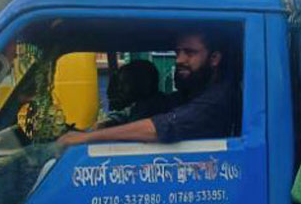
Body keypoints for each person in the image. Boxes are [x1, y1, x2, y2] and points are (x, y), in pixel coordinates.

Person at [56, 31, 238, 146]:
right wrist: (110, 123)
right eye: (178, 52)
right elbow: (160, 105)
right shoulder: (192, 93)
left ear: (214, 58)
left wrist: (85, 139)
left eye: (190, 53)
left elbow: (165, 126)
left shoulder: (219, 98)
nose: (179, 60)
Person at [97, 60, 169, 128]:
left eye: (125, 83)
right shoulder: (139, 106)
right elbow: (125, 114)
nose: (119, 88)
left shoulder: (150, 110)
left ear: (142, 84)